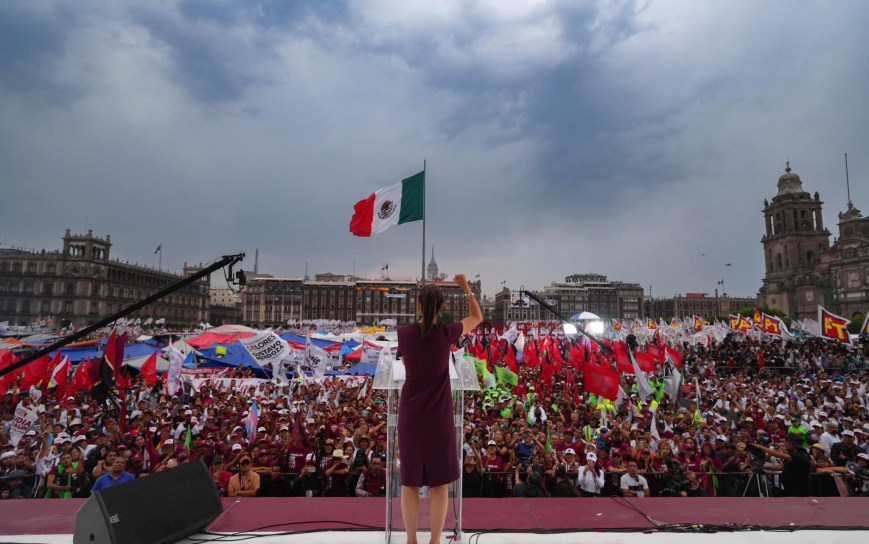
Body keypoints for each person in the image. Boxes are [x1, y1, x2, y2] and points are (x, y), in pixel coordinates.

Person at [397, 275, 481, 544]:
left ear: (419, 306)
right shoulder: (447, 333)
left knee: (409, 481)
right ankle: (435, 540)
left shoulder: (405, 334)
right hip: (438, 418)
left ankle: (412, 540)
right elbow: (477, 317)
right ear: (443, 308)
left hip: (410, 416)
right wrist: (466, 288)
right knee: (439, 482)